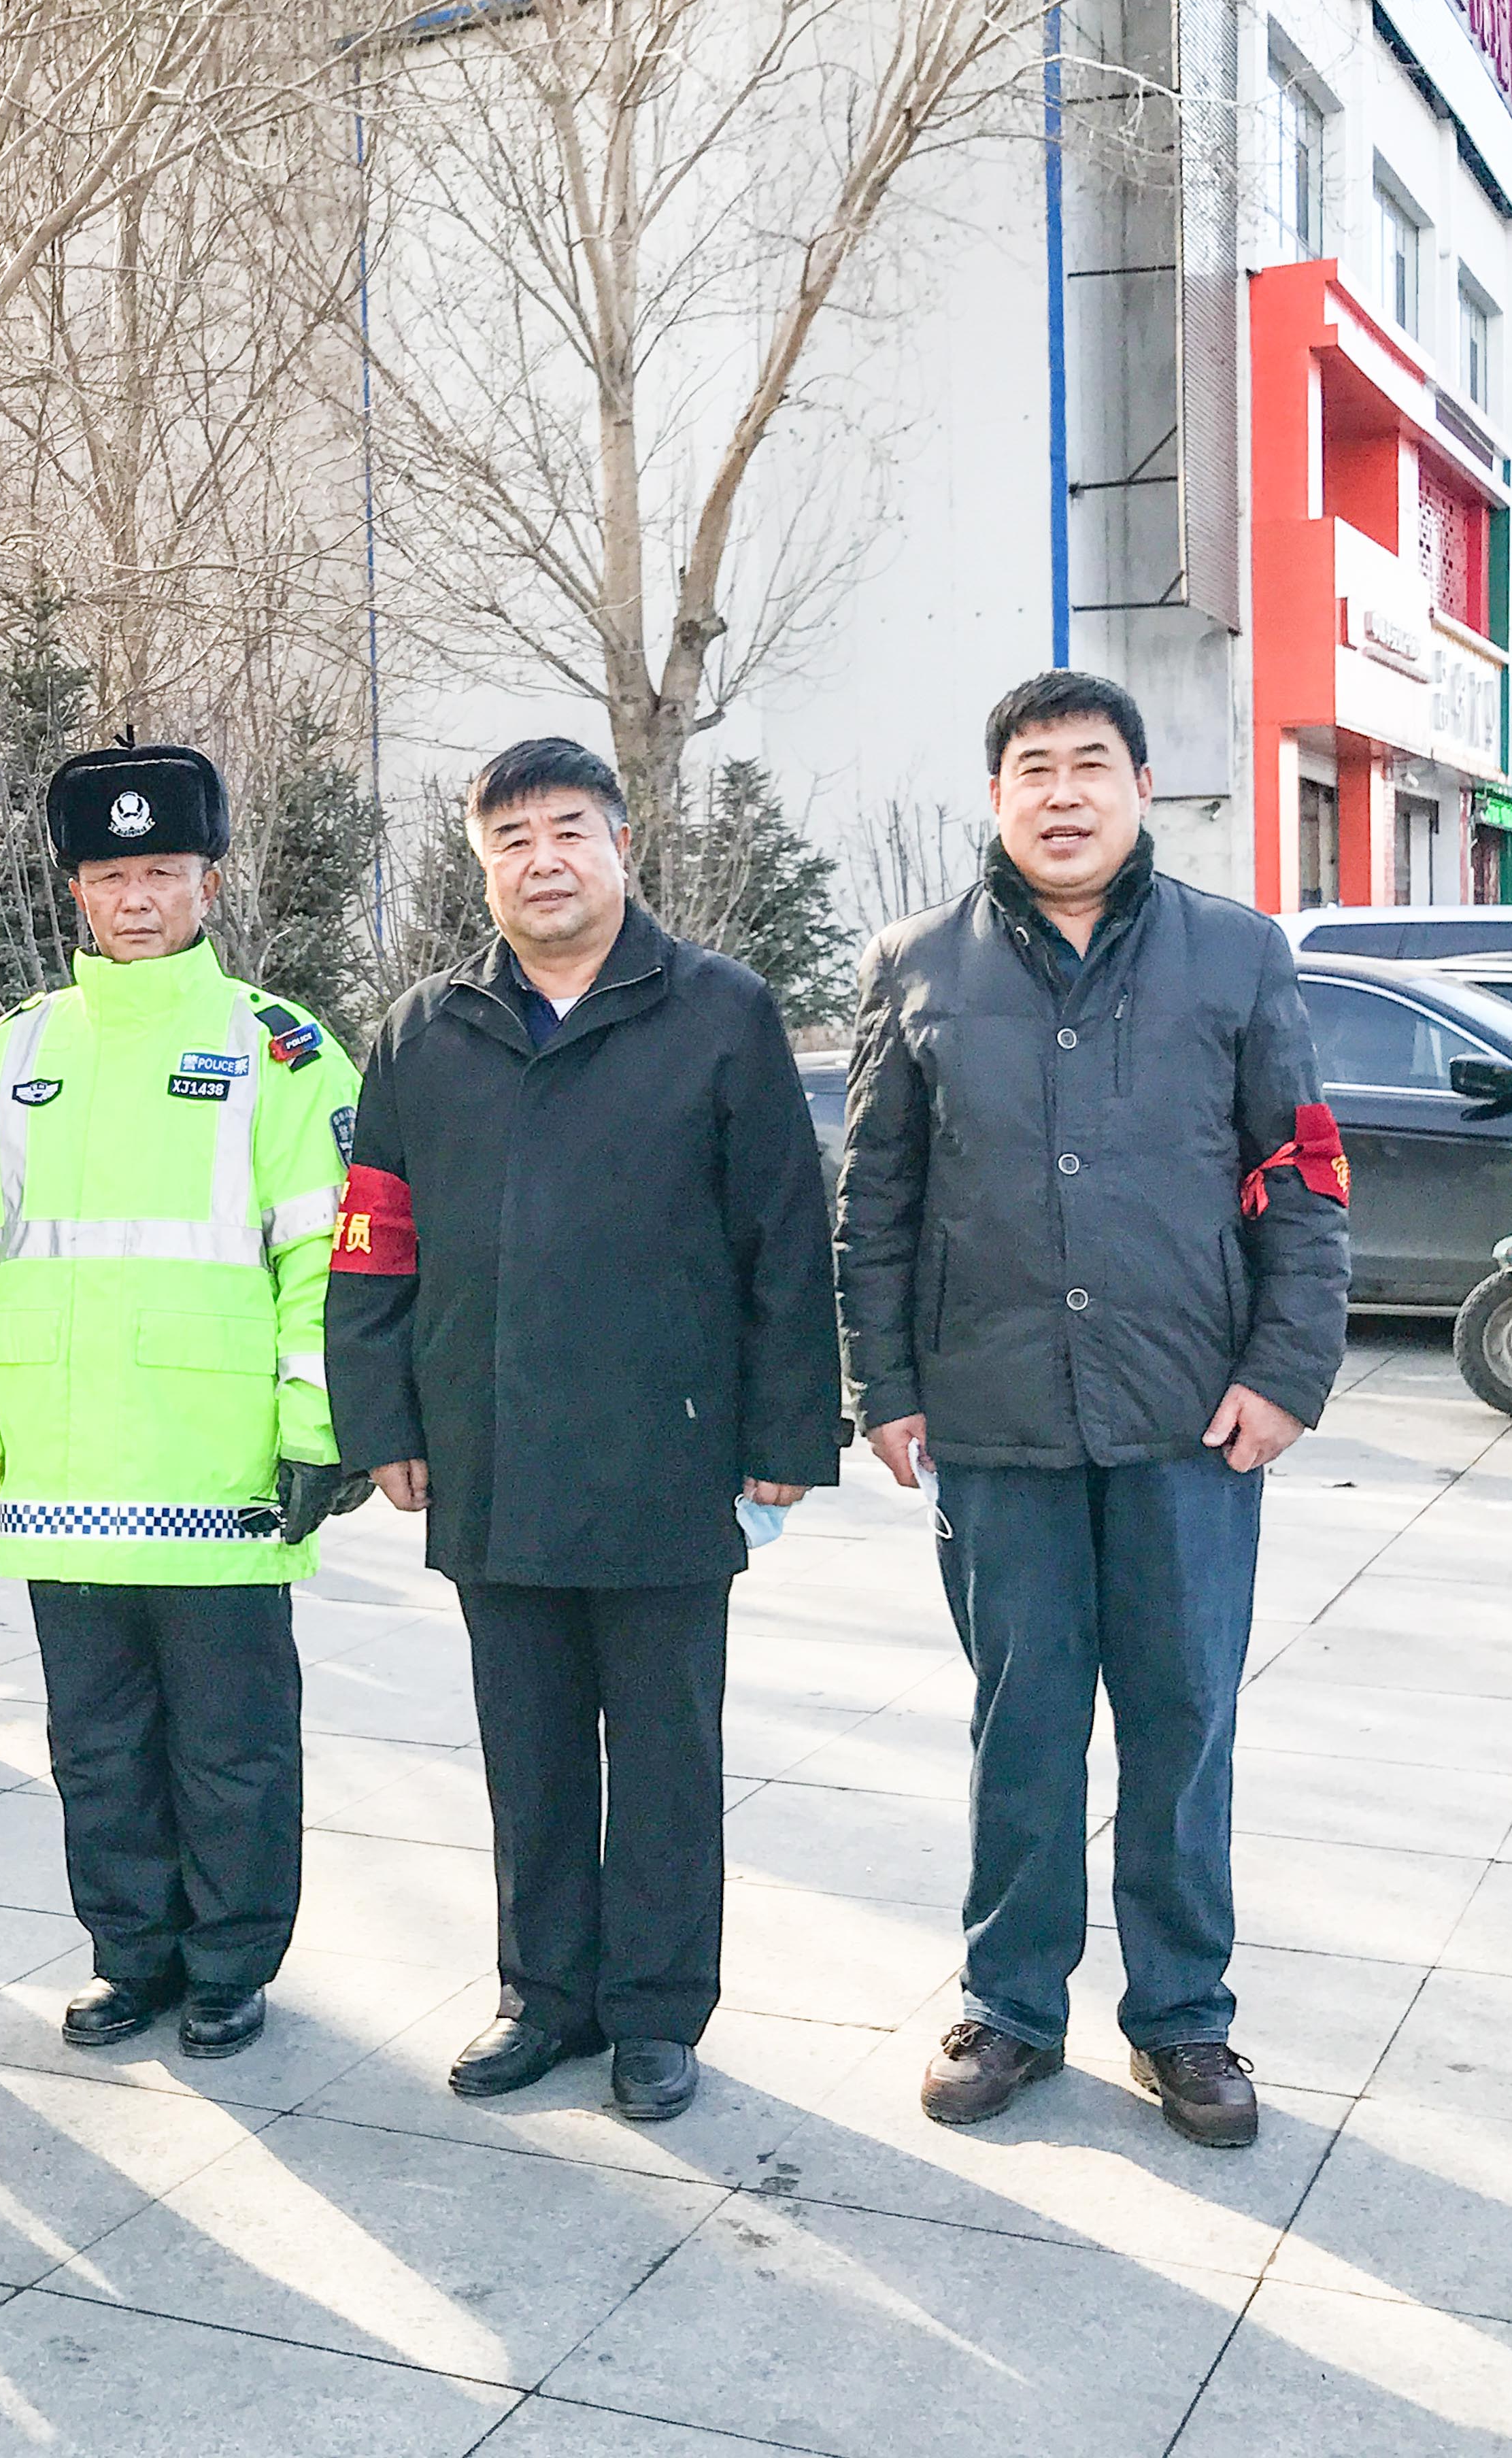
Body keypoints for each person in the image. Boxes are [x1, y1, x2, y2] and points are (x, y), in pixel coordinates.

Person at [839, 671, 1348, 2148]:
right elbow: (875, 1199)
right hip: (995, 1421)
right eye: (1033, 771)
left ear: (1140, 789)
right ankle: (1011, 2005)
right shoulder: (915, 965)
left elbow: (1302, 1174)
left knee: (1183, 1724)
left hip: (1193, 1418)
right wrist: (884, 1385)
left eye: (1091, 766)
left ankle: (1186, 2020)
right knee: (1025, 1721)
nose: (1062, 795)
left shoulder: (1238, 957)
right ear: (994, 798)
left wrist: (1287, 1373)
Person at [323, 740, 839, 2123]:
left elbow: (786, 1240)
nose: (541, 860)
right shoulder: (425, 1030)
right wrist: (381, 1415)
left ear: (621, 846)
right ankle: (541, 1995)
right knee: (529, 1743)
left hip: (669, 1448)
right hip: (486, 1448)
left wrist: (789, 1429)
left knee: (666, 1749)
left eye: (567, 831)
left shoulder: (719, 1013)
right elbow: (375, 1238)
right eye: (511, 839)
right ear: (481, 864)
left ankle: (659, 2012)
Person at [0, 739, 359, 2060]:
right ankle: (130, 1955)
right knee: (97, 1745)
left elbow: (327, 1256)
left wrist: (315, 1428)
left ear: (208, 885)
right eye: (112, 875)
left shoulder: (279, 1052)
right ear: (76, 893)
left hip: (220, 1477)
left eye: (163, 870)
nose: (139, 897)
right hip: (62, 1475)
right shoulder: (12, 1057)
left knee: (233, 1748)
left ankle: (229, 1962)